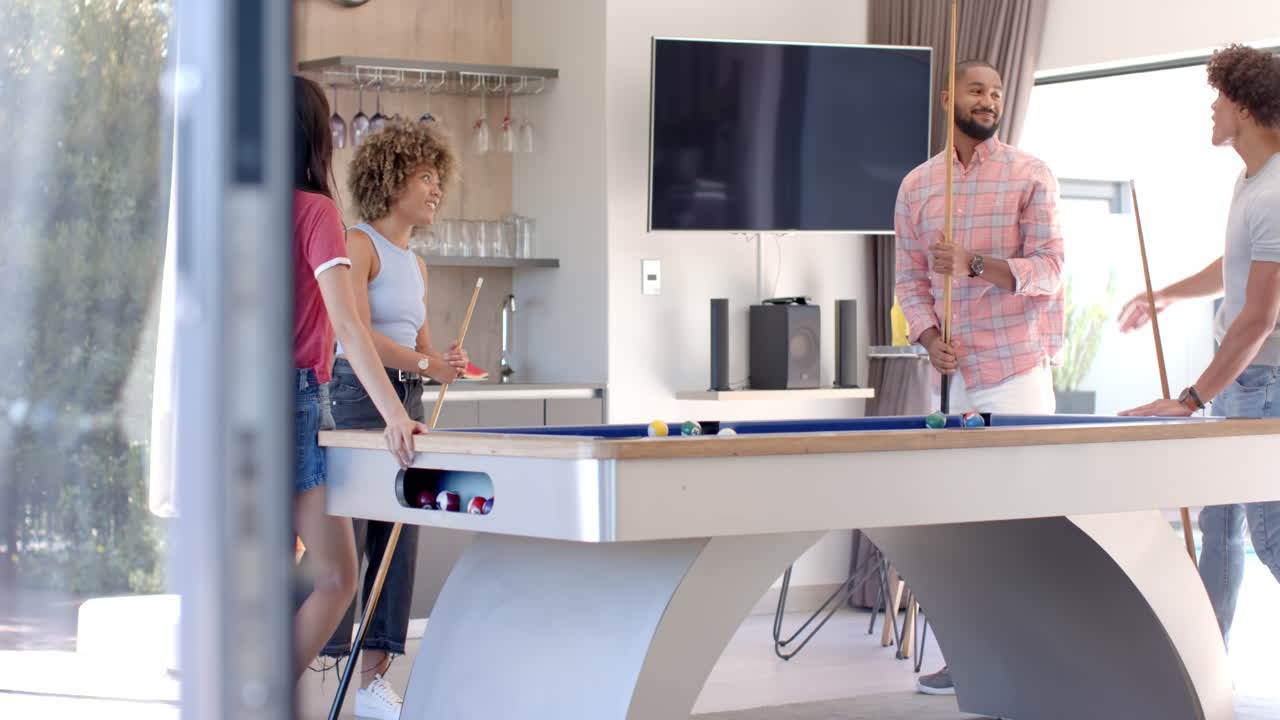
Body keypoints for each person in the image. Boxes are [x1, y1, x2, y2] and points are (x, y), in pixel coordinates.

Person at [894, 59, 1066, 694]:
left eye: (997, 91)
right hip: (951, 375)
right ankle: (967, 656)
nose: (989, 100)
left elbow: (1049, 272)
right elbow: (908, 281)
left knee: (1021, 522)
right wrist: (930, 337)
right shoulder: (916, 186)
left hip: (1016, 369)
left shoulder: (1030, 174)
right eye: (977, 90)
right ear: (949, 99)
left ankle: (1033, 659)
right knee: (956, 523)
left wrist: (973, 266)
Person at [1118, 43, 1280, 645]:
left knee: (1272, 536)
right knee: (1221, 527)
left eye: (1219, 98)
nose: (1212, 110)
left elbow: (1257, 318)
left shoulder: (1274, 195)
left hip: (1263, 384)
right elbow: (1236, 265)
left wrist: (1190, 398)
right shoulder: (1252, 180)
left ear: (1244, 104)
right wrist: (1169, 293)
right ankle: (1209, 658)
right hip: (1247, 381)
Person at [317, 119, 468, 720]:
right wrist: (425, 362)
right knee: (350, 539)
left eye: (439, 178)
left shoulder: (417, 263)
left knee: (399, 536)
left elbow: (420, 347)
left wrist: (443, 364)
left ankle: (373, 681)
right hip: (357, 395)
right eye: (425, 176)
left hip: (405, 400)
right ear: (391, 176)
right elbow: (354, 337)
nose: (435, 189)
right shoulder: (358, 244)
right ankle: (319, 655)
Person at [290, 76, 431, 684]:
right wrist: (397, 414)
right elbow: (348, 325)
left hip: (236, 408)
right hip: (296, 401)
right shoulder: (318, 212)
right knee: (339, 576)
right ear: (320, 136)